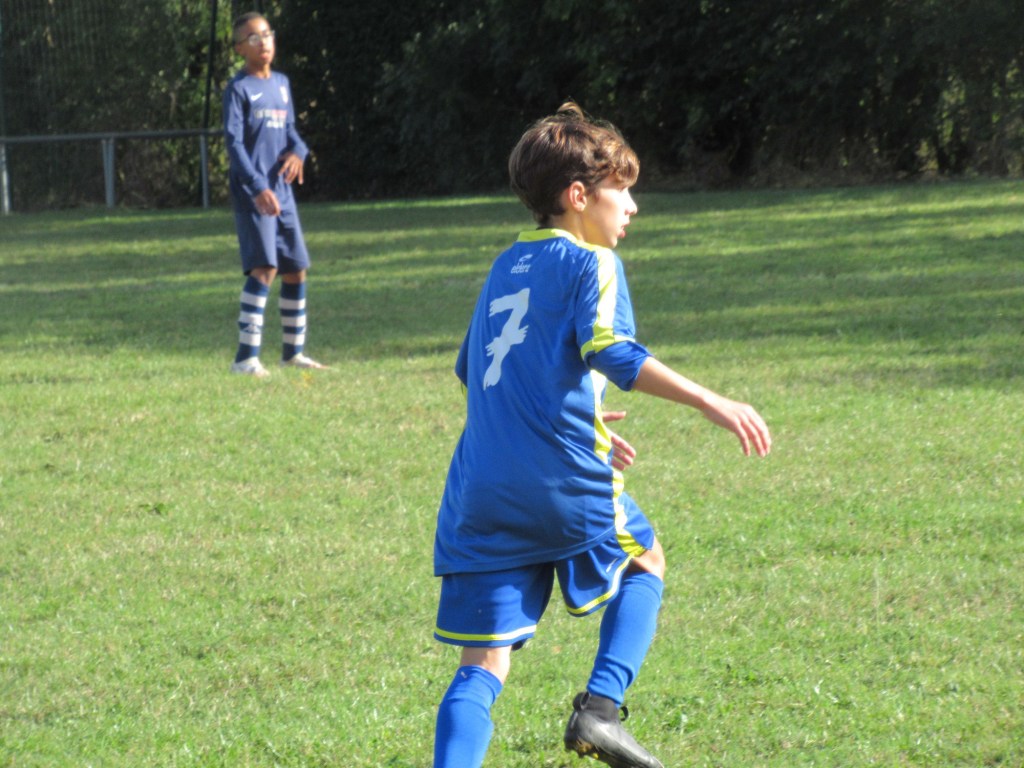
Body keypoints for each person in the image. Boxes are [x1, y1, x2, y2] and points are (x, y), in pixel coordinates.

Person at [431, 102, 772, 768]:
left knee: (482, 663)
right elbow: (612, 350)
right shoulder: (593, 264)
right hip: (559, 483)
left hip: (478, 490)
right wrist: (710, 399)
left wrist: (573, 420)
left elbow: (476, 373)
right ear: (579, 196)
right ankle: (600, 712)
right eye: (622, 189)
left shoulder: (504, 265)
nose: (633, 207)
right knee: (645, 561)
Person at [223, 11, 326, 377]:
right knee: (264, 267)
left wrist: (300, 151)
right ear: (240, 48)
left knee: (295, 269)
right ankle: (245, 359)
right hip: (255, 194)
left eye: (266, 34)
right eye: (253, 38)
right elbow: (234, 144)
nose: (263, 42)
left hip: (282, 192)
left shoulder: (281, 84)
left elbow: (291, 132)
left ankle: (293, 354)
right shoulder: (238, 89)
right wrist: (257, 187)